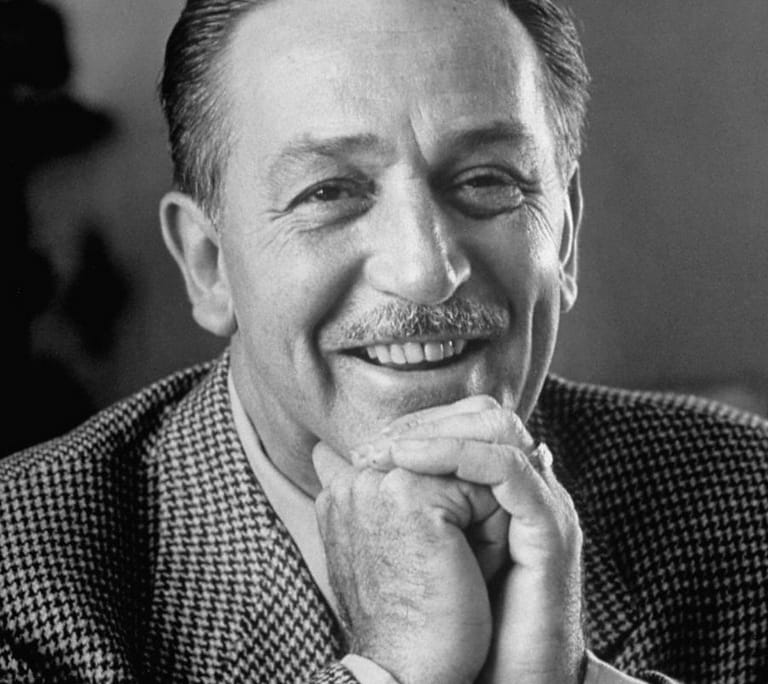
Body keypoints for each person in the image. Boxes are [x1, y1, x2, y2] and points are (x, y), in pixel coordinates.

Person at [1, 0, 766, 682]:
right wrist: (395, 670)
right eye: (329, 192)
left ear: (563, 238)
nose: (425, 272)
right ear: (208, 265)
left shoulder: (749, 503)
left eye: (488, 180)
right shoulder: (21, 580)